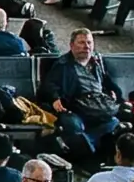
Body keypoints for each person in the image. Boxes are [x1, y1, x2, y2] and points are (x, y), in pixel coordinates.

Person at [46, 30, 122, 162]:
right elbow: (49, 84)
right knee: (74, 125)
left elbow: (107, 83)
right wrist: (54, 98)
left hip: (98, 108)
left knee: (115, 122)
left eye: (89, 42)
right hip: (75, 108)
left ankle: (87, 143)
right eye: (81, 42)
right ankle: (90, 155)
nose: (86, 46)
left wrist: (113, 93)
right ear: (71, 45)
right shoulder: (62, 65)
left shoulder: (97, 64)